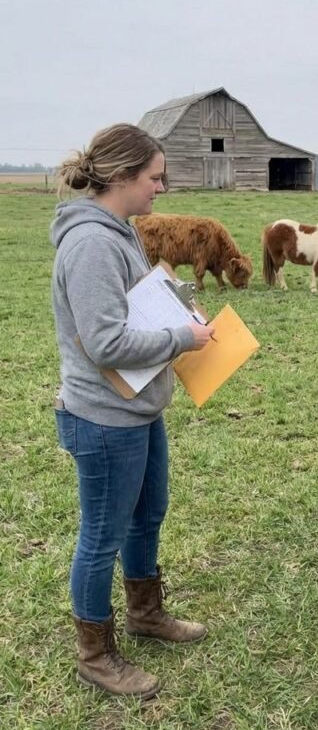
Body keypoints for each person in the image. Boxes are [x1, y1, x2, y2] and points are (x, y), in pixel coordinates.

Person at [51, 123, 215, 699]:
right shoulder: (92, 243)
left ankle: (146, 613)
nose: (161, 188)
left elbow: (133, 302)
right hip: (102, 419)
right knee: (102, 534)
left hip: (139, 408)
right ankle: (95, 654)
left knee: (148, 514)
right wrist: (182, 338)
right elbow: (106, 344)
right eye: (154, 177)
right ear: (121, 177)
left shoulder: (119, 231)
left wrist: (177, 308)